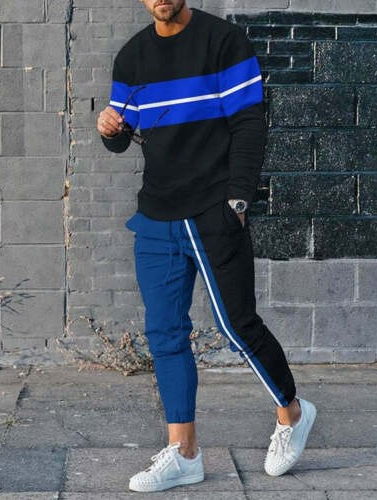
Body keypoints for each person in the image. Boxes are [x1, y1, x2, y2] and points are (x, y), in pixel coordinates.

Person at [96, 0, 317, 493]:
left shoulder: (223, 41)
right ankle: (185, 455)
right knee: (165, 334)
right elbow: (124, 135)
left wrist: (237, 199)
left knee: (238, 325)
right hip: (157, 217)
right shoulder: (131, 57)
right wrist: (109, 128)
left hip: (213, 210)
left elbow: (249, 122)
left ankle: (293, 413)